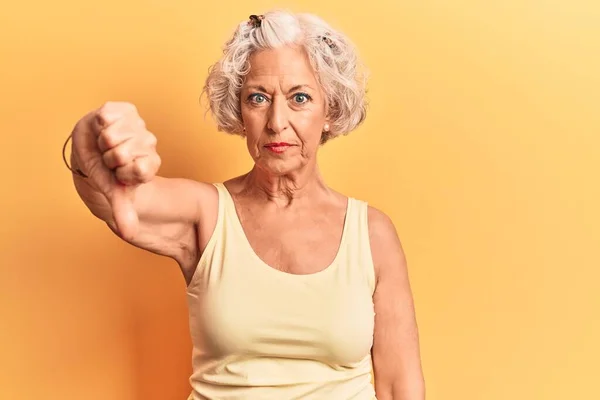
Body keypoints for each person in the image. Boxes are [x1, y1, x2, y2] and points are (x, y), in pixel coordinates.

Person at [64, 9, 425, 400]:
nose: (276, 122)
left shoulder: (371, 233)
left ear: (330, 112)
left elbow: (397, 386)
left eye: (299, 98)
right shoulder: (207, 213)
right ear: (239, 112)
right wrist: (90, 143)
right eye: (258, 98)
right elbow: (119, 200)